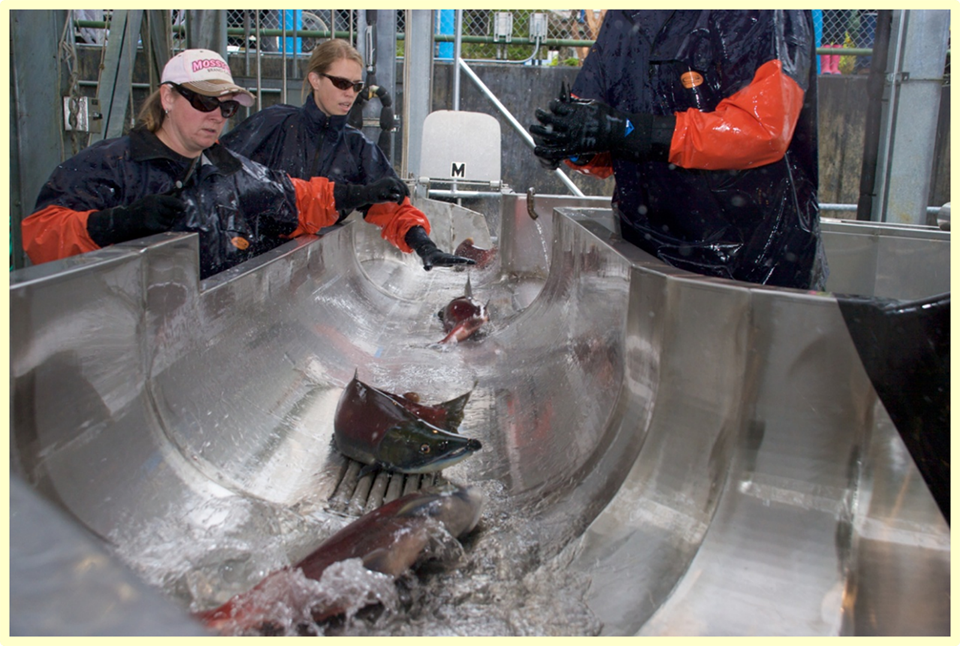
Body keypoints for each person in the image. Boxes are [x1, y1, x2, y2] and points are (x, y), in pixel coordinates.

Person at [22, 49, 414, 280]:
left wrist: (359, 194)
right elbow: (40, 234)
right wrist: (114, 224)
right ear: (168, 98)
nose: (216, 116)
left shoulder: (230, 170)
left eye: (226, 107)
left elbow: (297, 196)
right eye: (204, 102)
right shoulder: (113, 163)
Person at [530, 10, 826, 290]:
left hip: (753, 262)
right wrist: (572, 141)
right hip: (643, 255)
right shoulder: (627, 14)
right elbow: (606, 128)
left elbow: (763, 130)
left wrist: (631, 130)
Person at [221, 39, 471, 271]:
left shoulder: (357, 147)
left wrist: (425, 247)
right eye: (342, 83)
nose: (350, 93)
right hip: (244, 258)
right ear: (315, 80)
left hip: (308, 268)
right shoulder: (273, 124)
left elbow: (394, 209)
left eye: (356, 86)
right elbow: (222, 176)